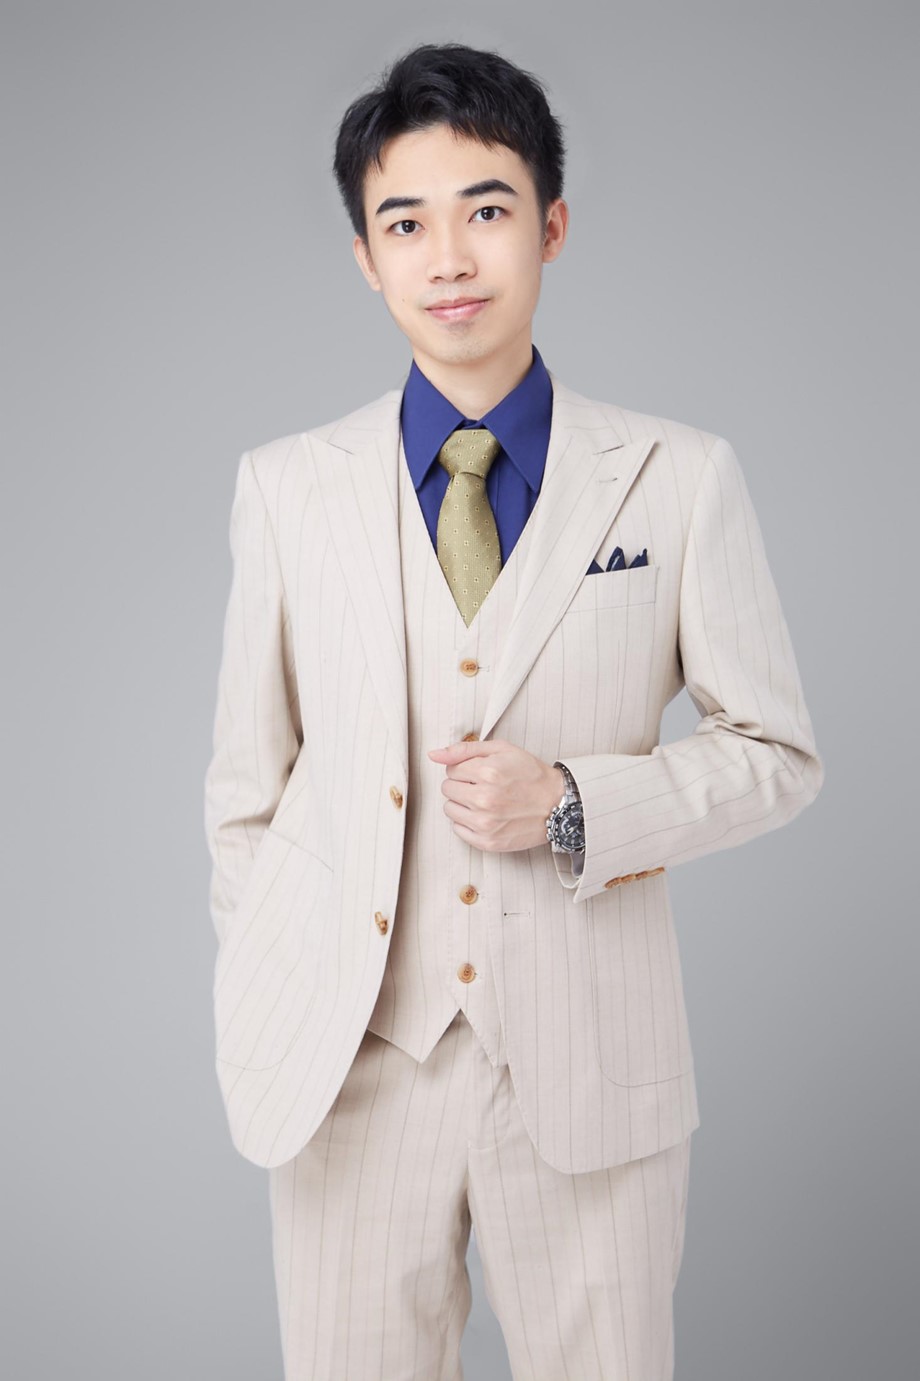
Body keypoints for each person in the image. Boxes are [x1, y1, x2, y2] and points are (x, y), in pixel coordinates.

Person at [203, 40, 824, 1381]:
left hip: (595, 1073)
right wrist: (285, 995)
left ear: (550, 224)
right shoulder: (286, 490)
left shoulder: (678, 477)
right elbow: (248, 795)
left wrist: (576, 802)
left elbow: (777, 753)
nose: (449, 258)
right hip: (354, 1072)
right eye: (404, 224)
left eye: (485, 209)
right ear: (365, 259)